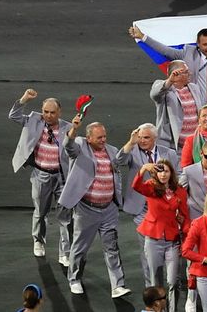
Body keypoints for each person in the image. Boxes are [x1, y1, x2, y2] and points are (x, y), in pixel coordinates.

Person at [58, 116, 131, 298]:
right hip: (86, 209)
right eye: (99, 137)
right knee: (80, 248)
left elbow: (120, 159)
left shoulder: (111, 150)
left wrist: (131, 142)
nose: (103, 140)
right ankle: (74, 279)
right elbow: (68, 145)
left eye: (104, 136)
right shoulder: (81, 146)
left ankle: (117, 285)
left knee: (112, 247)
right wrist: (74, 129)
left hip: (109, 209)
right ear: (89, 138)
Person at [9, 88, 72, 265]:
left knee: (66, 217)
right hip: (41, 174)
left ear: (59, 112)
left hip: (62, 177)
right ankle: (38, 240)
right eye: (45, 112)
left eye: (52, 112)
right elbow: (13, 116)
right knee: (40, 212)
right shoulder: (34, 120)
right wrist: (24, 99)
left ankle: (65, 252)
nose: (48, 115)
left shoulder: (68, 127)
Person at [115, 123, 179, 287]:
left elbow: (178, 177)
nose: (142, 141)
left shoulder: (168, 153)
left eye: (146, 138)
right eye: (140, 137)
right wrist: (131, 142)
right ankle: (151, 287)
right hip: (141, 208)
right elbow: (118, 161)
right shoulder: (133, 151)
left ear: (155, 138)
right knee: (147, 249)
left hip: (164, 209)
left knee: (168, 248)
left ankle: (170, 280)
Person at [133, 159, 190, 312]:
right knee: (155, 280)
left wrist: (185, 238)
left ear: (171, 173)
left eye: (166, 171)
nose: (163, 174)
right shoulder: (151, 188)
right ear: (155, 173)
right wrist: (144, 168)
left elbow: (185, 217)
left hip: (173, 240)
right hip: (153, 239)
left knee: (173, 281)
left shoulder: (180, 191)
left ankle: (172, 310)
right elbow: (136, 186)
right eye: (160, 171)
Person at [150, 60, 206, 155]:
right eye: (186, 72)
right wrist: (170, 81)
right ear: (175, 74)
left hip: (195, 146)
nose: (190, 73)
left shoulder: (194, 88)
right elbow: (154, 94)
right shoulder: (164, 88)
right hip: (172, 147)